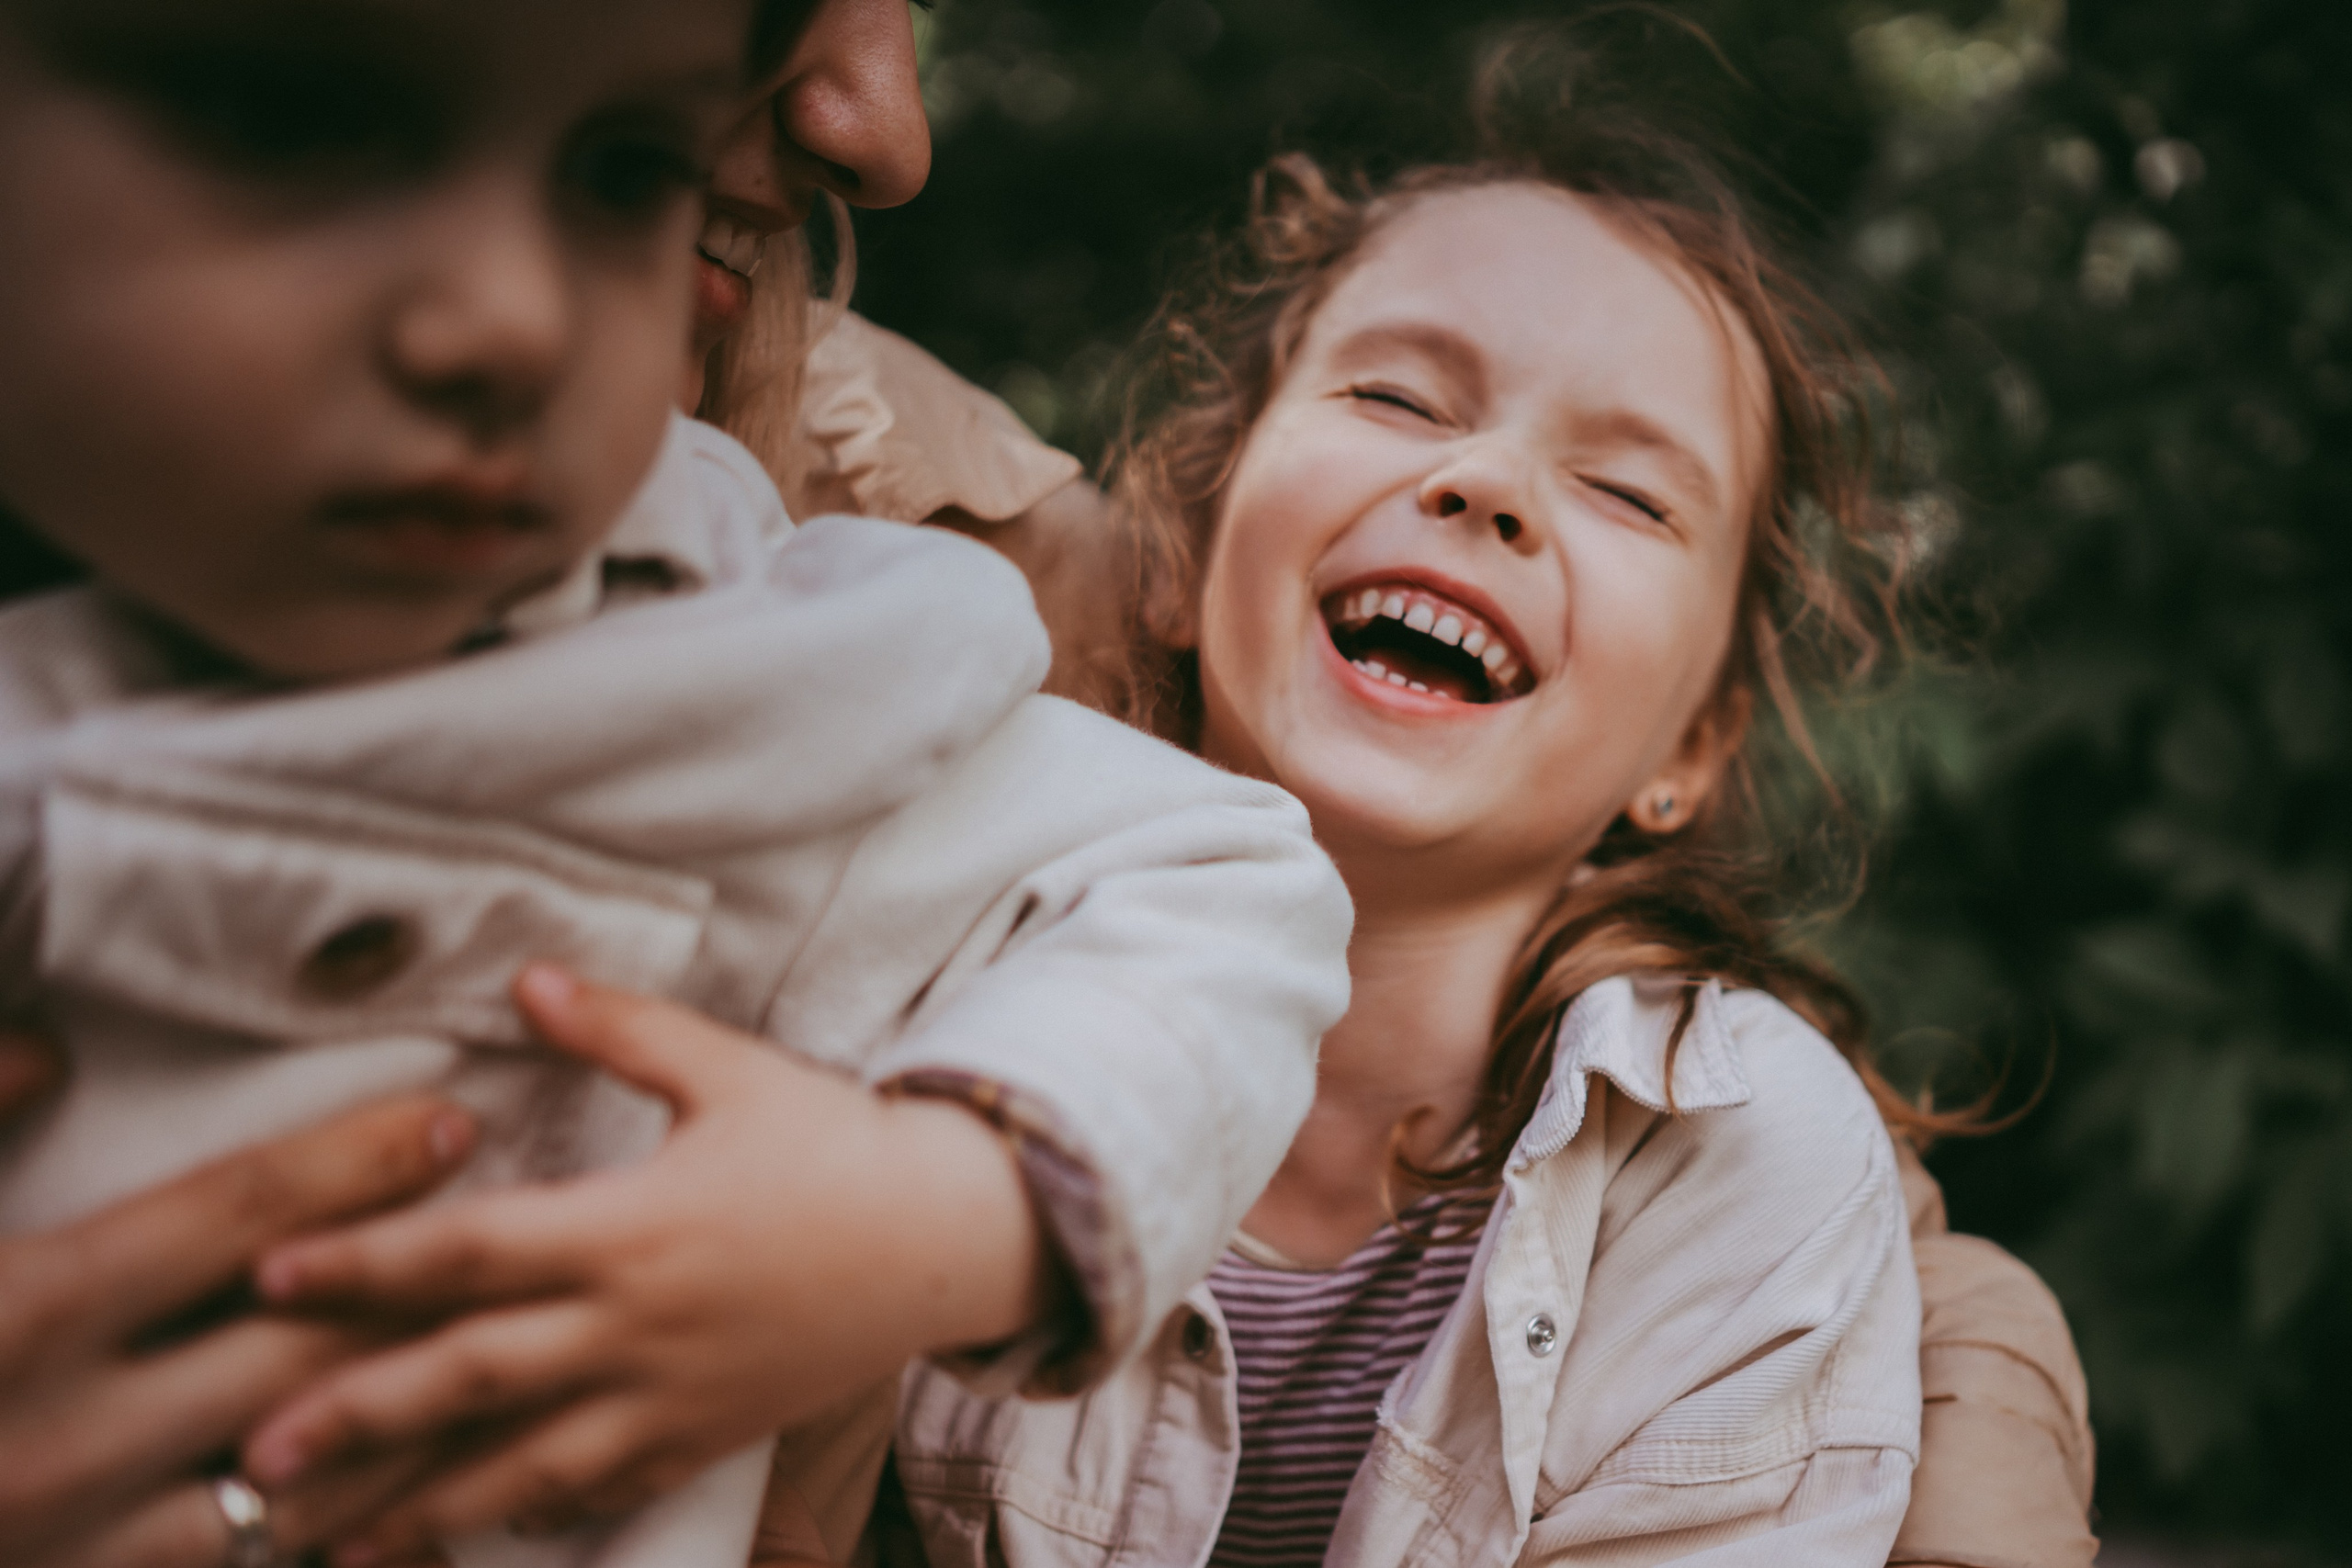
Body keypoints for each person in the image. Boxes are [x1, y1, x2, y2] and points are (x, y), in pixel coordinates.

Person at [0, 7, 1351, 1568]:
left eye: (622, 170)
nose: (511, 317)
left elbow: (1212, 878)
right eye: (292, 118)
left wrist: (928, 1214)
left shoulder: (715, 633)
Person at [881, 38, 2062, 1565]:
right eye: (1396, 394)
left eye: (1631, 493)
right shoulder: (917, 962)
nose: (1489, 481)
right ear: (1185, 544)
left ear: (1687, 752)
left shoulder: (1741, 1162)